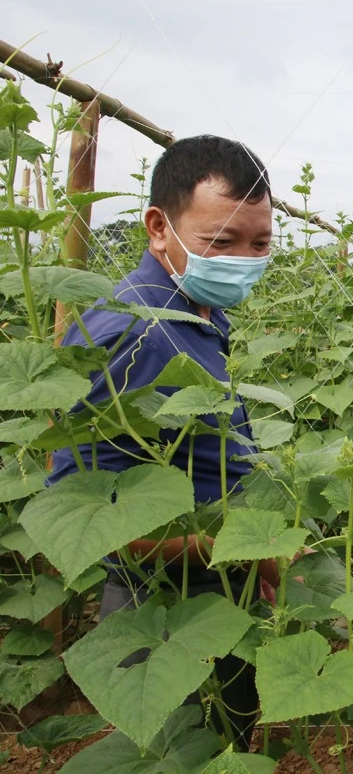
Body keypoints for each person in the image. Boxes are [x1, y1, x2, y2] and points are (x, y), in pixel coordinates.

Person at [48, 134, 275, 748]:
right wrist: (227, 550)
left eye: (260, 243)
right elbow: (78, 513)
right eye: (220, 243)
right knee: (171, 747)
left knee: (222, 742)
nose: (243, 260)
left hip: (216, 588)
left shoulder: (194, 307)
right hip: (162, 605)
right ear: (158, 227)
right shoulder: (129, 330)